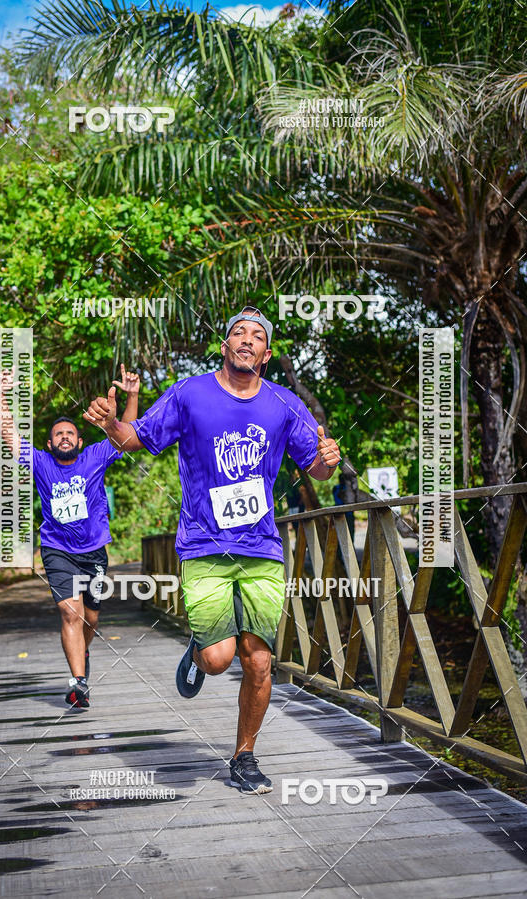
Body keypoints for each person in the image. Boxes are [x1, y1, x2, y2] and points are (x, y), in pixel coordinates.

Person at [84, 307, 340, 792]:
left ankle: (244, 756)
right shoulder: (189, 394)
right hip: (203, 546)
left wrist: (328, 461)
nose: (247, 339)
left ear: (266, 354)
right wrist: (112, 420)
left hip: (262, 546)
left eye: (257, 335)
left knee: (259, 660)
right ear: (225, 347)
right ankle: (199, 650)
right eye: (237, 333)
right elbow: (130, 439)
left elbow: (319, 467)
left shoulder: (283, 404)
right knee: (220, 658)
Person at [0, 365, 140, 709]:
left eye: (69, 434)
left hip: (93, 551)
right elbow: (9, 434)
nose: (64, 437)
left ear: (79, 440)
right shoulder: (42, 463)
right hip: (57, 549)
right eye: (58, 434)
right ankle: (79, 684)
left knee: (90, 618)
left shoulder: (94, 457)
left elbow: (125, 436)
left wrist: (132, 396)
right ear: (49, 443)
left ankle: (81, 654)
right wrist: (2, 394)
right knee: (70, 614)